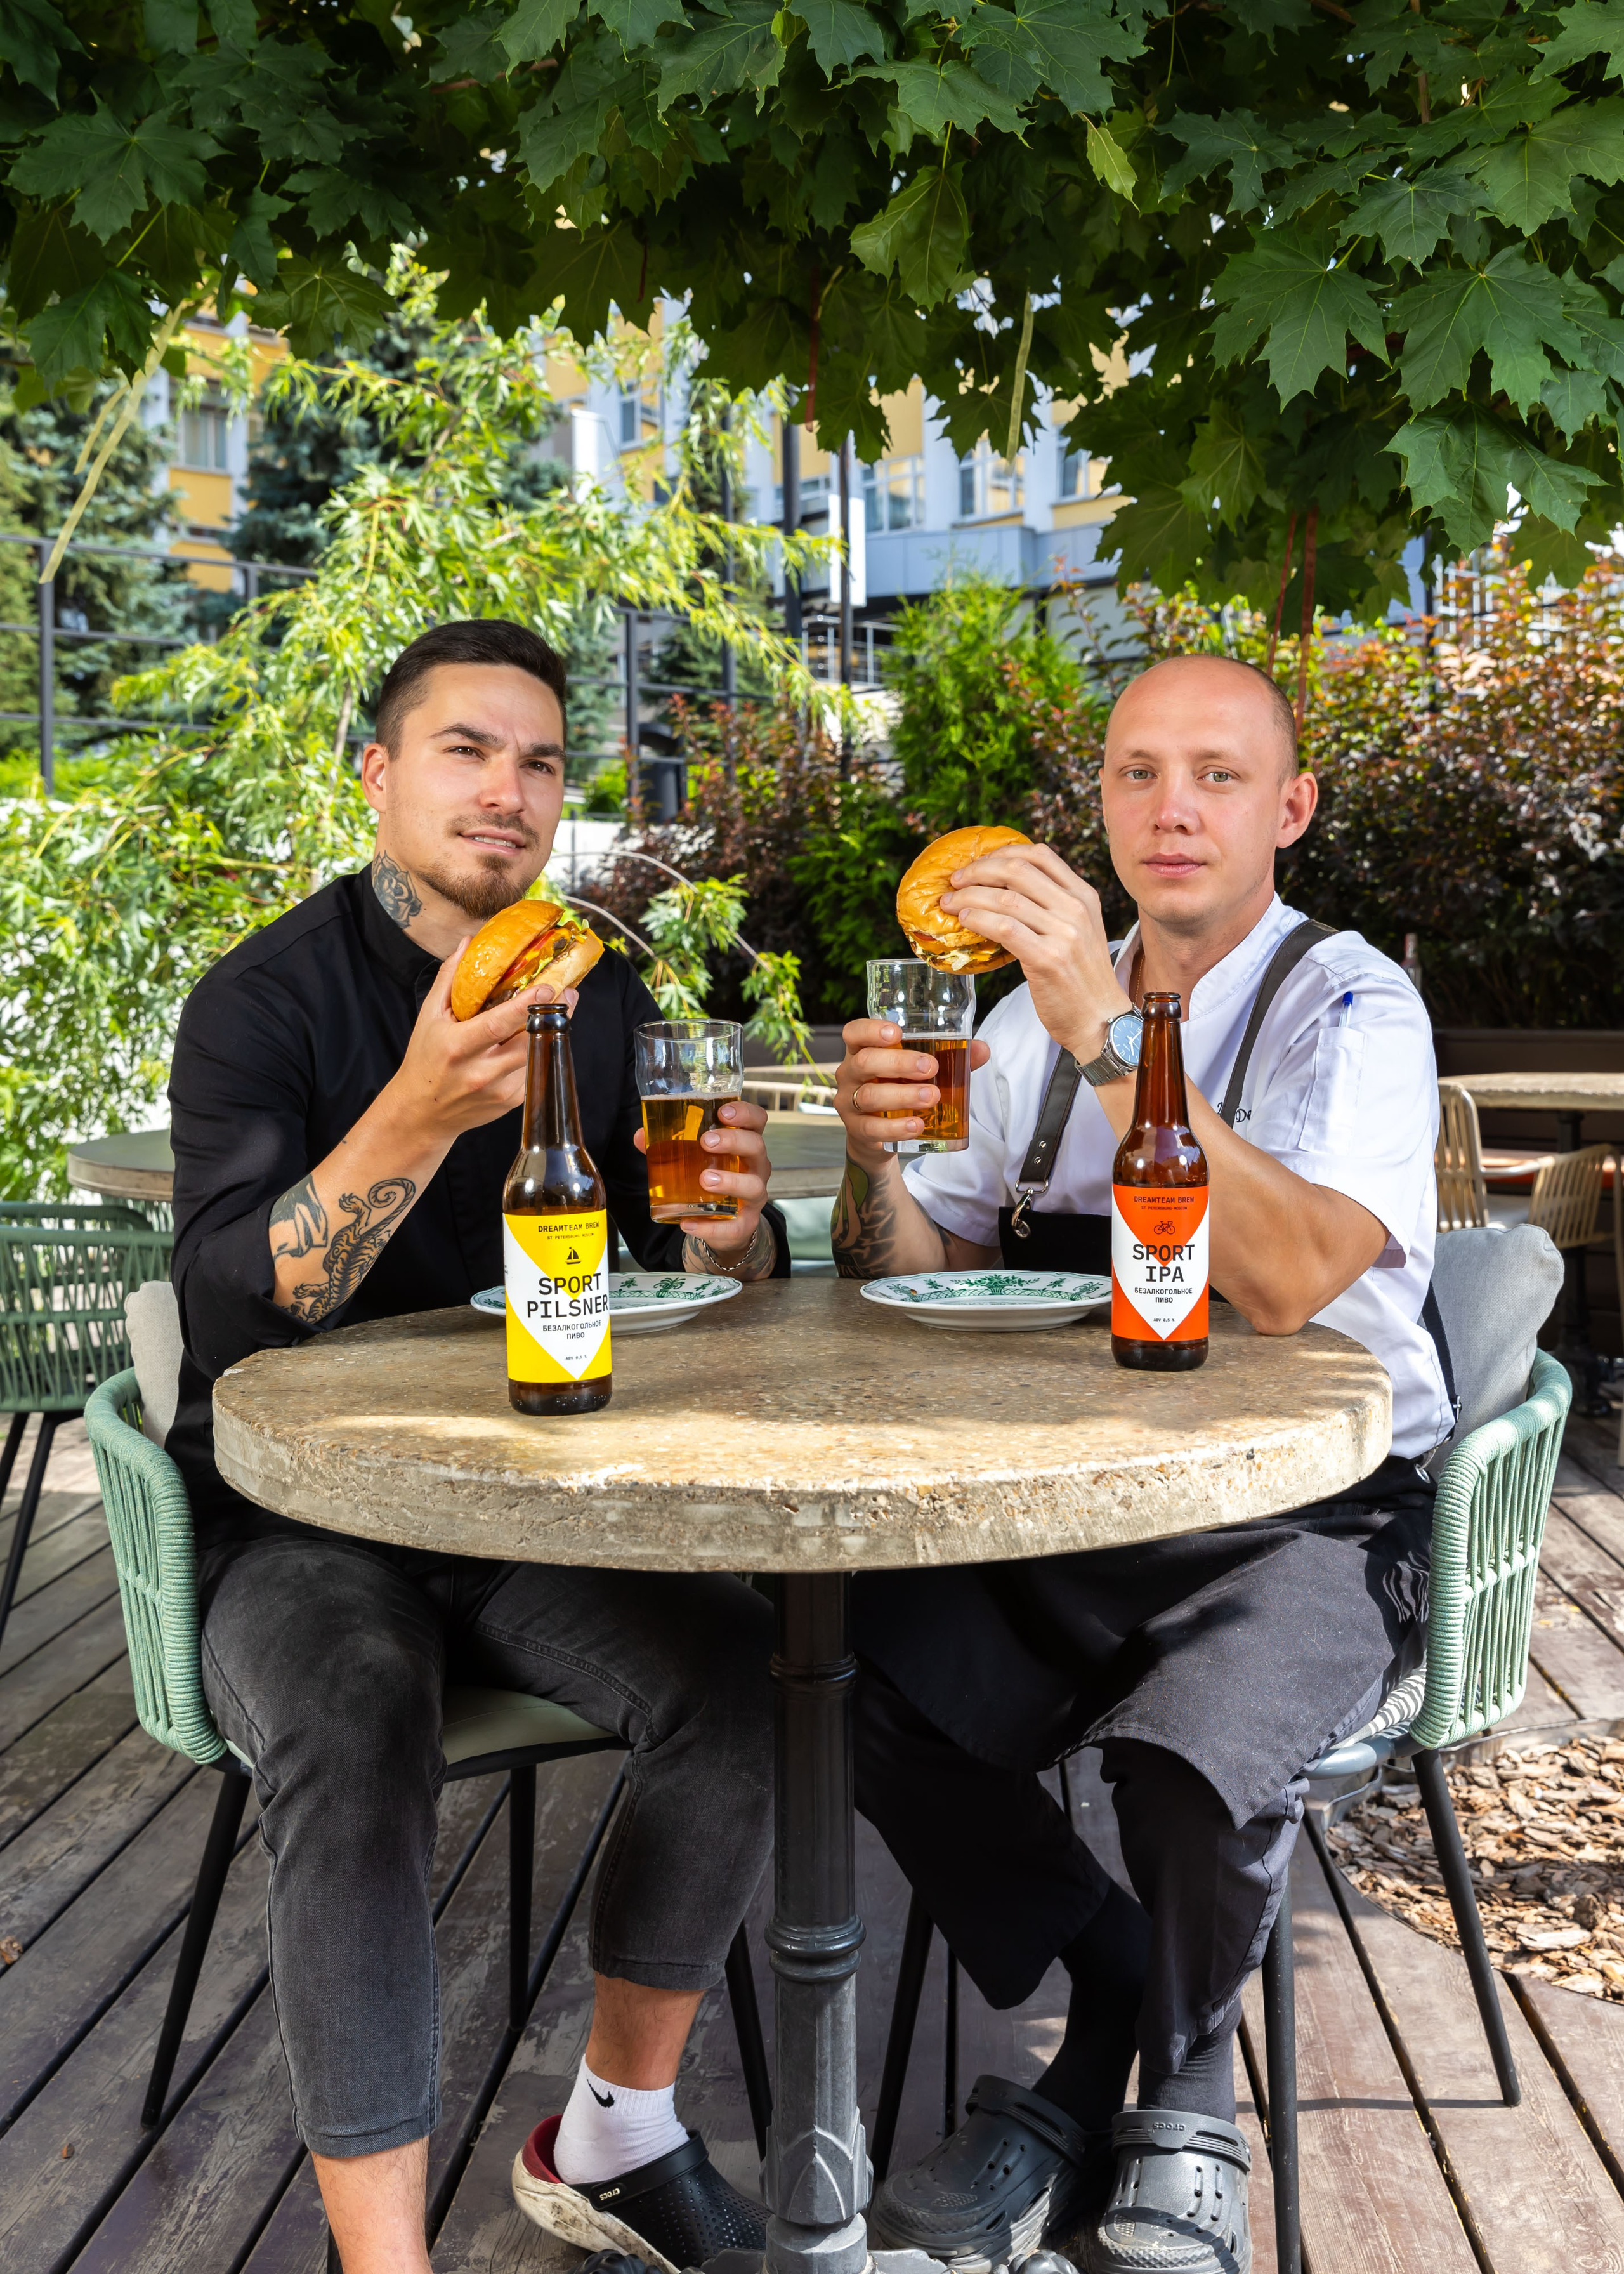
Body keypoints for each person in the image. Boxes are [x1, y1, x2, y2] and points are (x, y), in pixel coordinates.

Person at [169, 619, 788, 2274]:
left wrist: (732, 1234)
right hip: (296, 1518)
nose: (505, 791)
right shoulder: (263, 1003)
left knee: (753, 1677)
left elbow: (698, 1283)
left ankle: (615, 2132)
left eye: (536, 761)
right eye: (464, 749)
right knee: (356, 1711)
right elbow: (238, 1326)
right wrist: (423, 1110)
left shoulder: (598, 994)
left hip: (531, 1507)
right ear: (378, 774)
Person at [830, 654, 1448, 2274]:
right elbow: (918, 1268)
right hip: (1072, 1496)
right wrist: (876, 1153)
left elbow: (1290, 1277)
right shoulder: (1022, 1010)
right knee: (840, 1665)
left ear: (1287, 809)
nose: (1172, 807)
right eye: (1135, 774)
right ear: (1099, 803)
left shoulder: (1347, 1003)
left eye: (1217, 775)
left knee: (1188, 1762)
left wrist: (1105, 1034)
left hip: (1316, 1506)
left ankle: (1165, 2082)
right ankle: (1123, 1984)